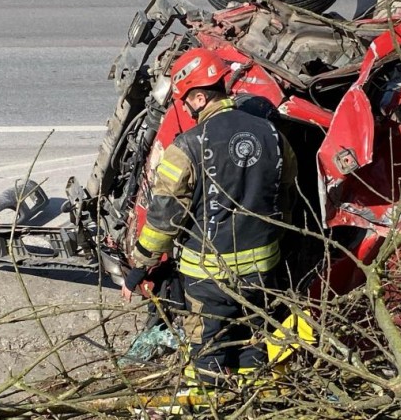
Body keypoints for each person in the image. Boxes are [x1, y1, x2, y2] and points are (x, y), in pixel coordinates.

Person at [121, 47, 297, 387]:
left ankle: (207, 401)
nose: (186, 110)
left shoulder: (186, 147)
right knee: (252, 345)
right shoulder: (273, 136)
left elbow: (163, 220)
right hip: (262, 272)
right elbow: (285, 196)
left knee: (206, 354)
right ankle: (251, 400)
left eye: (185, 102)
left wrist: (139, 269)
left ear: (200, 98)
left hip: (208, 278)